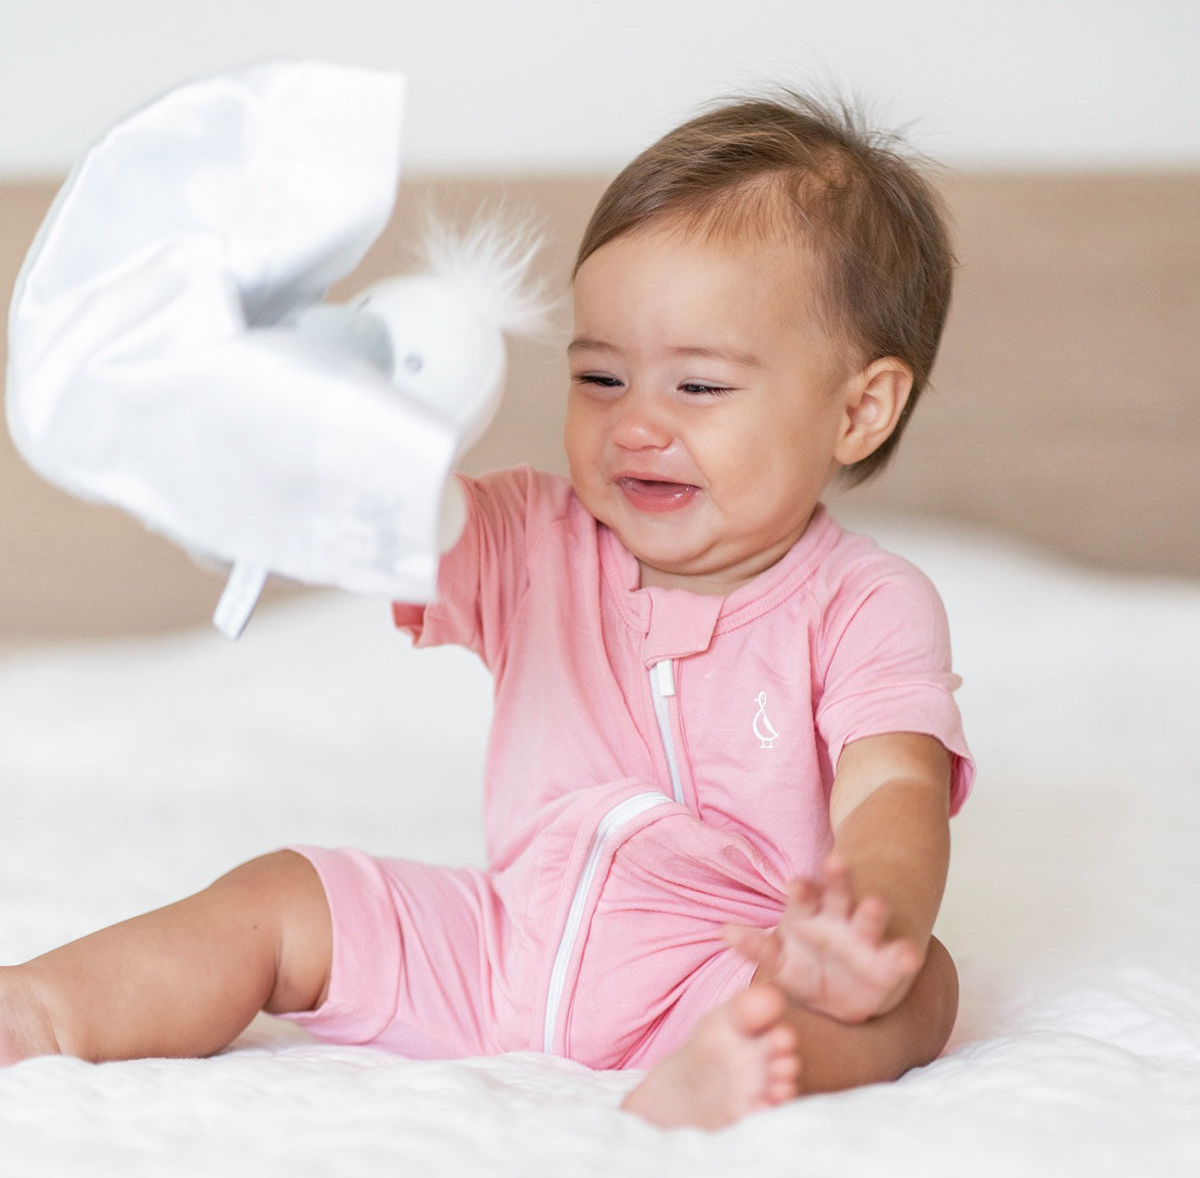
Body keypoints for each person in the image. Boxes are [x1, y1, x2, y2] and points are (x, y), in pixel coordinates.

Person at [0, 91, 973, 1131]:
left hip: (727, 964)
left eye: (697, 388)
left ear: (858, 409)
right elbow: (391, 509)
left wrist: (867, 927)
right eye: (599, 376)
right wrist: (294, 405)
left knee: (927, 987)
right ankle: (38, 1009)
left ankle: (727, 1069)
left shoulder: (864, 604)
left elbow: (893, 790)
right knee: (285, 896)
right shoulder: (530, 535)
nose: (635, 424)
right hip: (505, 942)